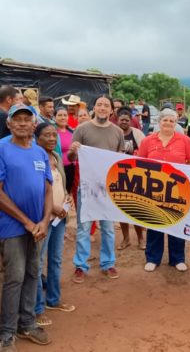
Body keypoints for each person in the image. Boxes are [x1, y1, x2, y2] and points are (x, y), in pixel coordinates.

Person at [0, 104, 53, 351]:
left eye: (27, 119)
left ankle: (28, 323)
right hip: (13, 226)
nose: (23, 123)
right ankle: (7, 334)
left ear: (34, 124)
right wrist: (27, 222)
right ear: (9, 124)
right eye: (18, 119)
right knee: (14, 277)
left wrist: (44, 222)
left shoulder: (39, 152)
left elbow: (47, 189)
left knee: (33, 274)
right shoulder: (0, 150)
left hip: (37, 227)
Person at [68, 95, 125, 283]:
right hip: (86, 186)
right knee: (84, 227)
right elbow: (70, 157)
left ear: (111, 110)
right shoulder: (82, 129)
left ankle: (108, 263)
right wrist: (74, 150)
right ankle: (80, 265)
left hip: (108, 187)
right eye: (99, 105)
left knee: (108, 228)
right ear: (94, 108)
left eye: (106, 105)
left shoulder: (117, 132)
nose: (102, 108)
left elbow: (119, 159)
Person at [137, 108, 190, 272]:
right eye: (165, 120)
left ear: (176, 123)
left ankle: (177, 258)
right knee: (154, 221)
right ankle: (152, 258)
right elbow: (140, 161)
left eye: (172, 121)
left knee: (176, 221)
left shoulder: (184, 140)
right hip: (153, 188)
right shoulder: (148, 141)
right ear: (159, 121)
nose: (168, 123)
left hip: (177, 188)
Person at [33, 123, 76, 329]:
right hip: (43, 218)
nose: (52, 138)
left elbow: (60, 184)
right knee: (38, 261)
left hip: (60, 217)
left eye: (53, 135)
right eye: (46, 135)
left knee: (56, 259)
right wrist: (52, 208)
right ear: (36, 138)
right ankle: (37, 307)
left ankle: (53, 299)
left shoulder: (57, 158)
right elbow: (35, 191)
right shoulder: (33, 159)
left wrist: (66, 200)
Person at [116, 107, 146, 250]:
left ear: (131, 121)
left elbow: (145, 152)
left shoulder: (137, 134)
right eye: (121, 120)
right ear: (117, 120)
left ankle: (141, 238)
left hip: (136, 175)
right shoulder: (114, 133)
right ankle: (126, 238)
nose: (124, 122)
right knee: (122, 209)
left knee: (136, 208)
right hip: (118, 175)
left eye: (127, 120)